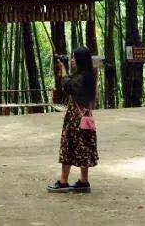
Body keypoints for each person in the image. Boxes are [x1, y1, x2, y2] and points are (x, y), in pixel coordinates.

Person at [47, 47, 98, 193]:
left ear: (80, 60)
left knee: (68, 146)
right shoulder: (89, 76)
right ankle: (83, 181)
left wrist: (63, 69)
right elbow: (73, 82)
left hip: (75, 118)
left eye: (75, 58)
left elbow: (67, 86)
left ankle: (63, 181)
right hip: (86, 117)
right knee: (84, 147)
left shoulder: (81, 78)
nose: (73, 60)